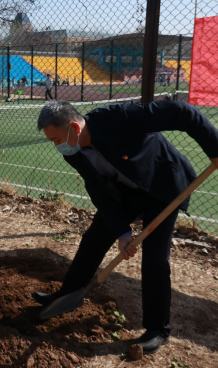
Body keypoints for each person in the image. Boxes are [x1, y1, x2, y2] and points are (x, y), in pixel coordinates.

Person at [34, 100, 218, 355]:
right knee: (95, 237)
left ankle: (157, 329)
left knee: (154, 258)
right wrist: (122, 232)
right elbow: (99, 193)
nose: (56, 146)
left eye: (56, 139)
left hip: (162, 183)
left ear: (75, 128)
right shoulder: (73, 151)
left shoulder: (116, 117)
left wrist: (215, 149)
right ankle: (69, 295)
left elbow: (182, 113)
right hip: (126, 193)